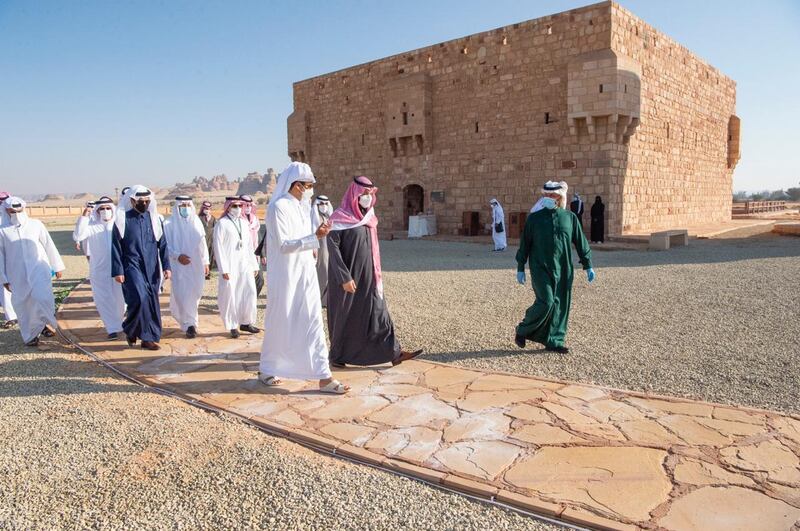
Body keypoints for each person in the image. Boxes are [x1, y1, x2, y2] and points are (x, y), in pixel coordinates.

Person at [259, 162, 348, 394]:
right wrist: (314, 237)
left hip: (306, 273)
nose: (310, 190)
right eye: (308, 186)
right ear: (296, 185)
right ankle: (268, 368)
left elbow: (307, 239)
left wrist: (317, 237)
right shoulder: (278, 207)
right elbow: (284, 245)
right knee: (280, 320)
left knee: (313, 321)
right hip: (287, 276)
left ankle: (323, 377)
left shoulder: (303, 206)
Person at [326, 176, 424, 368]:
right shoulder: (339, 218)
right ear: (354, 195)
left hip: (370, 276)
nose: (368, 198)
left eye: (370, 194)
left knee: (378, 311)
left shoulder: (369, 218)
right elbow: (333, 249)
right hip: (348, 278)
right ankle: (338, 355)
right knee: (346, 317)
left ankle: (393, 352)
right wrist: (344, 277)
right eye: (364, 194)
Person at [515, 184, 595, 354]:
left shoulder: (569, 218)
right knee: (547, 301)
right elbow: (525, 244)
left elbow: (580, 242)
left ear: (560, 198)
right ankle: (523, 329)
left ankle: (555, 340)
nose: (550, 198)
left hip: (564, 267)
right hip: (540, 266)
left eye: (553, 195)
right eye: (547, 195)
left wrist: (588, 265)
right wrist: (520, 266)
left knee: (560, 304)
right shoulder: (534, 219)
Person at [111, 185, 171, 350]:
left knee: (151, 300)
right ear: (132, 201)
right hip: (131, 264)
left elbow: (163, 244)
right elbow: (115, 246)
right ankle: (132, 328)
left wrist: (167, 266)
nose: (144, 204)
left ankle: (147, 338)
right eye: (140, 201)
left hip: (151, 266)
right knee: (140, 297)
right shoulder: (122, 219)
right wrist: (118, 270)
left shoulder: (155, 220)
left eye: (146, 201)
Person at [0, 196, 65, 346]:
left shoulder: (36, 225)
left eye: (18, 210)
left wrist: (57, 266)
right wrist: (3, 278)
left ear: (23, 208)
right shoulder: (2, 231)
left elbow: (48, 244)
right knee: (24, 304)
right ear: (7, 211)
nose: (16, 214)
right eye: (12, 211)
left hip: (39, 269)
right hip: (16, 273)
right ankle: (30, 335)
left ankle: (45, 324)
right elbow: (0, 256)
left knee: (42, 297)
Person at [72, 197, 125, 340]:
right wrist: (85, 215)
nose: (105, 211)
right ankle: (112, 327)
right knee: (103, 299)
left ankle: (120, 322)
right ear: (97, 211)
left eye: (108, 208)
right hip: (99, 270)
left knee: (120, 299)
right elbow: (78, 235)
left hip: (119, 268)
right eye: (102, 209)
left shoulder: (119, 225)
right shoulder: (91, 227)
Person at [213, 196, 260, 338]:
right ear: (228, 207)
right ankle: (233, 325)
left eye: (240, 206)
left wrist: (254, 264)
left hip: (245, 264)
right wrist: (224, 269)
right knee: (231, 295)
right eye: (235, 206)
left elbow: (249, 246)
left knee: (249, 292)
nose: (238, 209)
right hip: (230, 265)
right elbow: (218, 247)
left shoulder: (243, 223)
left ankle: (246, 322)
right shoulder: (222, 224)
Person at [163, 196, 209, 339]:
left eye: (188, 205)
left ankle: (188, 320)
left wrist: (206, 262)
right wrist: (177, 256)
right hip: (178, 266)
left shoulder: (196, 222)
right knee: (183, 293)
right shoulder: (169, 223)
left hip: (196, 265)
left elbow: (203, 243)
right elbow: (165, 246)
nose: (185, 208)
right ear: (177, 207)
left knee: (196, 292)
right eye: (182, 205)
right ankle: (190, 325)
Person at [311, 195, 333, 306]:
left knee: (329, 271)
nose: (324, 206)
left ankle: (327, 298)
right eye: (321, 204)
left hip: (328, 247)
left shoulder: (328, 216)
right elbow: (311, 232)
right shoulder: (313, 216)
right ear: (317, 205)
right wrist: (313, 247)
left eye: (326, 204)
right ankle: (321, 300)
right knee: (321, 271)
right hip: (318, 247)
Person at [240, 194, 264, 295]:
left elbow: (258, 238)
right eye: (246, 205)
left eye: (250, 205)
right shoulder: (238, 220)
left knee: (260, 280)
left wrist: (262, 254)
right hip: (242, 254)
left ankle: (252, 300)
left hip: (255, 254)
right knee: (244, 281)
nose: (248, 207)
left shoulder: (255, 220)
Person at [0, 191, 17, 329]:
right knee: (3, 286)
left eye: (3, 200)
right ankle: (11, 316)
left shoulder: (14, 215)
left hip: (14, 255)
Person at [198, 200, 216, 278]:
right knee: (203, 256)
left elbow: (215, 229)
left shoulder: (213, 218)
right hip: (202, 241)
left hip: (210, 240)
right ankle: (202, 272)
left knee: (210, 256)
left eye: (208, 208)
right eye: (205, 208)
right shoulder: (199, 218)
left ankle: (208, 272)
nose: (207, 210)